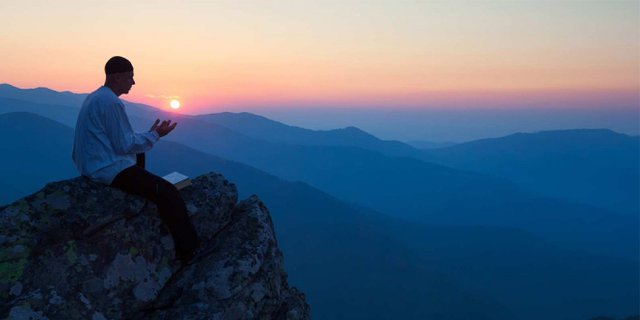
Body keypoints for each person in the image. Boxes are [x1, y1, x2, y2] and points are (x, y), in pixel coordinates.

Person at [72, 56, 200, 263]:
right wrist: (156, 135)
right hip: (106, 168)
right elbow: (124, 145)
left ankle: (142, 188)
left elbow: (123, 139)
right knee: (168, 192)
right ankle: (190, 250)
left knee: (141, 154)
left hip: (93, 163)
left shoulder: (97, 97)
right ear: (116, 77)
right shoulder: (111, 103)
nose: (133, 82)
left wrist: (150, 134)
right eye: (130, 77)